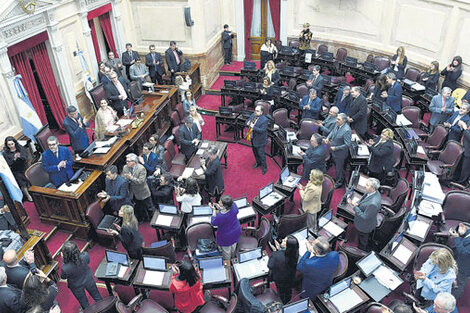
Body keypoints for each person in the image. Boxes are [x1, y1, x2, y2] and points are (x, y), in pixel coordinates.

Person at [60, 241, 102, 309]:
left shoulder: (65, 268)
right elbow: (88, 261)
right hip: (89, 280)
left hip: (76, 286)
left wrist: (63, 261)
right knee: (97, 297)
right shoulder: (85, 256)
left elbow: (63, 277)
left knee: (84, 303)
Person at [349, 177, 381, 251]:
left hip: (365, 226)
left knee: (362, 242)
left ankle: (360, 253)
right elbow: (364, 198)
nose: (364, 186)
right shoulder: (372, 192)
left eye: (367, 185)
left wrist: (355, 207)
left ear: (373, 188)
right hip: (367, 217)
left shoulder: (373, 203)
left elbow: (364, 217)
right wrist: (358, 203)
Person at [268, 236, 299, 304]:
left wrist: (276, 252)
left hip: (279, 279)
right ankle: (288, 300)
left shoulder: (276, 255)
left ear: (288, 245)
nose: (282, 240)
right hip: (290, 278)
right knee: (288, 290)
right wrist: (279, 250)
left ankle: (282, 302)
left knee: (281, 291)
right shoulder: (295, 253)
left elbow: (270, 265)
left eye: (284, 241)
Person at [123, 153, 153, 222]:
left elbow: (141, 181)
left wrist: (131, 177)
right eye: (126, 161)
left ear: (134, 162)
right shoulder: (125, 167)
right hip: (133, 192)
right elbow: (124, 177)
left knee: (149, 207)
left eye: (128, 161)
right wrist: (126, 178)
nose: (126, 163)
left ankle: (152, 219)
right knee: (138, 207)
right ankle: (142, 218)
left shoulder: (141, 168)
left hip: (143, 192)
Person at [325, 113, 351, 189]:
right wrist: (328, 138)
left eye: (338, 119)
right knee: (336, 167)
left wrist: (336, 148)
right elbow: (333, 132)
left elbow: (347, 144)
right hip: (333, 150)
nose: (336, 120)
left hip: (340, 153)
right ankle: (338, 179)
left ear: (344, 121)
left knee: (339, 169)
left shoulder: (347, 130)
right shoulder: (337, 125)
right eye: (337, 118)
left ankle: (339, 182)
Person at [210, 195, 241, 260]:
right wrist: (220, 207)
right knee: (233, 247)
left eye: (220, 202)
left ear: (224, 206)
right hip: (236, 231)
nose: (218, 202)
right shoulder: (234, 206)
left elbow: (213, 223)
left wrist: (214, 211)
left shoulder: (221, 216)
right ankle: (233, 259)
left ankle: (228, 264)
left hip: (226, 236)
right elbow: (230, 210)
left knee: (226, 252)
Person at [3, 136, 32, 201]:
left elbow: (24, 157)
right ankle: (28, 195)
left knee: (29, 178)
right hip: (16, 170)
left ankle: (32, 191)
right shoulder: (5, 153)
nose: (11, 146)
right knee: (22, 182)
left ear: (15, 143)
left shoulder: (20, 148)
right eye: (9, 145)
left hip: (24, 166)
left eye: (12, 144)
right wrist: (14, 159)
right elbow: (9, 164)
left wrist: (19, 157)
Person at [449, 223, 470, 298]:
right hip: (459, 262)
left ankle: (453, 298)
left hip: (465, 267)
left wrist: (457, 238)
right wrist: (463, 233)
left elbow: (464, 253)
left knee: (460, 283)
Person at [247, 105, 269, 175]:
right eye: (255, 110)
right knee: (255, 152)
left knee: (261, 154)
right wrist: (247, 123)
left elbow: (262, 130)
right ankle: (258, 162)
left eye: (257, 111)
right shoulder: (253, 115)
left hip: (260, 140)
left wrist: (253, 127)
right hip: (253, 138)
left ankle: (264, 167)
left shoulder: (265, 120)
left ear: (261, 112)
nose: (255, 112)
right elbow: (247, 121)